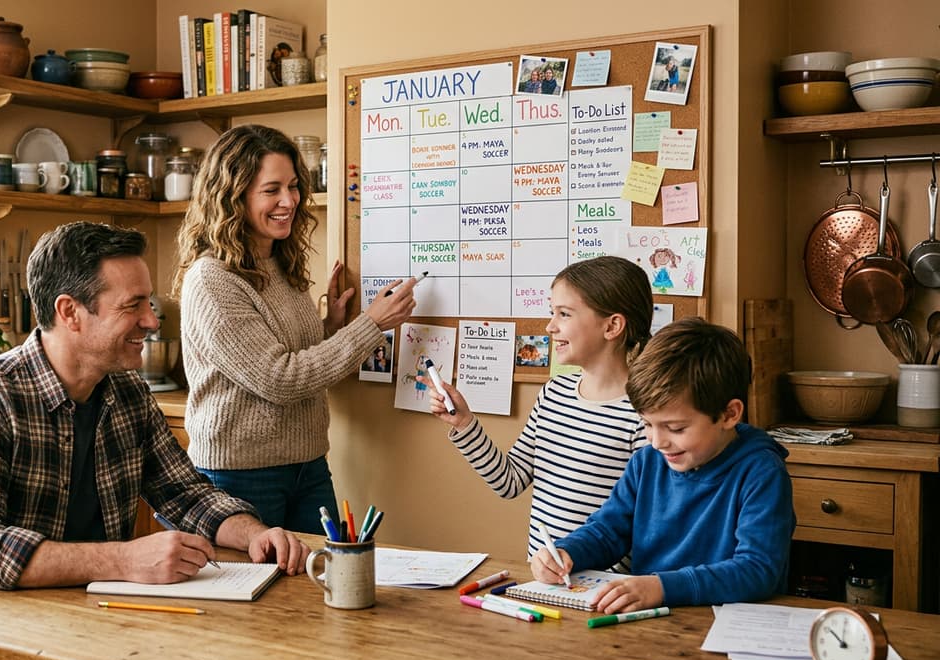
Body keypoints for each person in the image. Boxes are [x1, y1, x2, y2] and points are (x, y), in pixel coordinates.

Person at [0, 221, 309, 660]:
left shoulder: (127, 392)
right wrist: (125, 560)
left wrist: (256, 534)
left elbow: (186, 494)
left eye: (149, 304)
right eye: (133, 306)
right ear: (70, 312)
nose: (152, 321)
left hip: (80, 627)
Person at [172, 124, 418, 533]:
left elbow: (285, 356)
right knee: (261, 595)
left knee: (323, 586)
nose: (289, 200)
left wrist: (332, 327)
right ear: (234, 196)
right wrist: (371, 325)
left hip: (308, 467)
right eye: (271, 190)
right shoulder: (212, 279)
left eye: (292, 186)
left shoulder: (279, 265)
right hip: (240, 477)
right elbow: (279, 379)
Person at [534, 318, 796, 613]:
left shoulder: (761, 472)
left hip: (728, 626)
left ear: (729, 414)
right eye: (647, 424)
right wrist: (567, 552)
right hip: (651, 623)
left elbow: (757, 570)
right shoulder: (647, 462)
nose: (657, 441)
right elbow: (607, 531)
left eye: (676, 428)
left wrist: (661, 587)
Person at [421, 256, 652, 570]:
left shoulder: (645, 415)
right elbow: (510, 481)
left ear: (612, 325)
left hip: (605, 591)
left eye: (564, 314)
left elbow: (644, 522)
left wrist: (605, 582)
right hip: (545, 581)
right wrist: (464, 423)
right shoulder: (553, 394)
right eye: (551, 312)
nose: (550, 326)